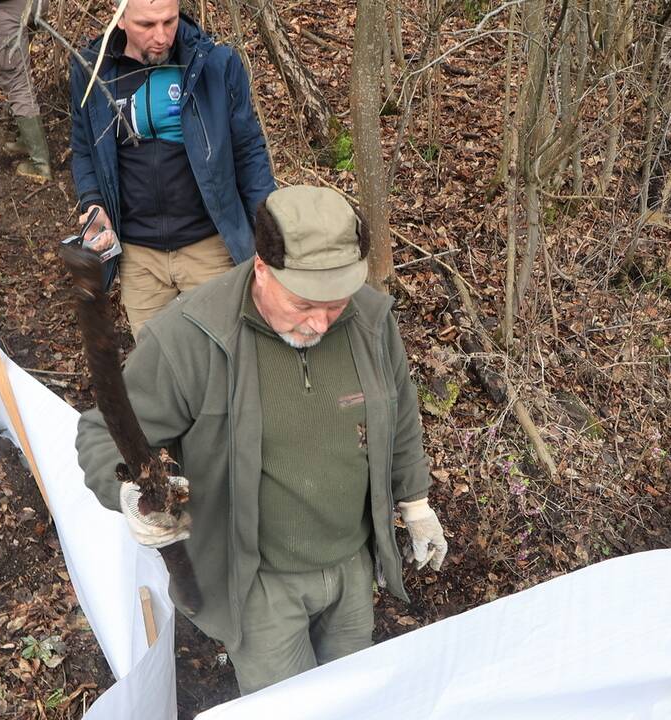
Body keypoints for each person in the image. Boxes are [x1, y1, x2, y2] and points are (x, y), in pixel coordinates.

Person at [75, 185, 448, 694]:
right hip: (256, 582)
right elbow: (103, 430)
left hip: (351, 566)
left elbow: (398, 411)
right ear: (262, 268)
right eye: (303, 304)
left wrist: (415, 501)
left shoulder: (369, 320)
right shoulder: (191, 336)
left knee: (351, 697)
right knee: (286, 705)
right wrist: (126, 493)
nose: (320, 322)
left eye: (334, 304)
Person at [69, 0, 275, 336]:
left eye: (170, 21)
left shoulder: (213, 64)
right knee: (158, 369)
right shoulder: (91, 71)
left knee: (223, 358)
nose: (162, 36)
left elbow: (248, 151)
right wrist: (93, 202)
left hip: (209, 247)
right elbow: (83, 148)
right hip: (139, 258)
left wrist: (269, 232)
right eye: (147, 26)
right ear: (121, 20)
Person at [0, 0, 52, 181]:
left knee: (17, 83)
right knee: (22, 72)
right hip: (37, 4)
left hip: (4, 8)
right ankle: (28, 141)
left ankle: (40, 165)